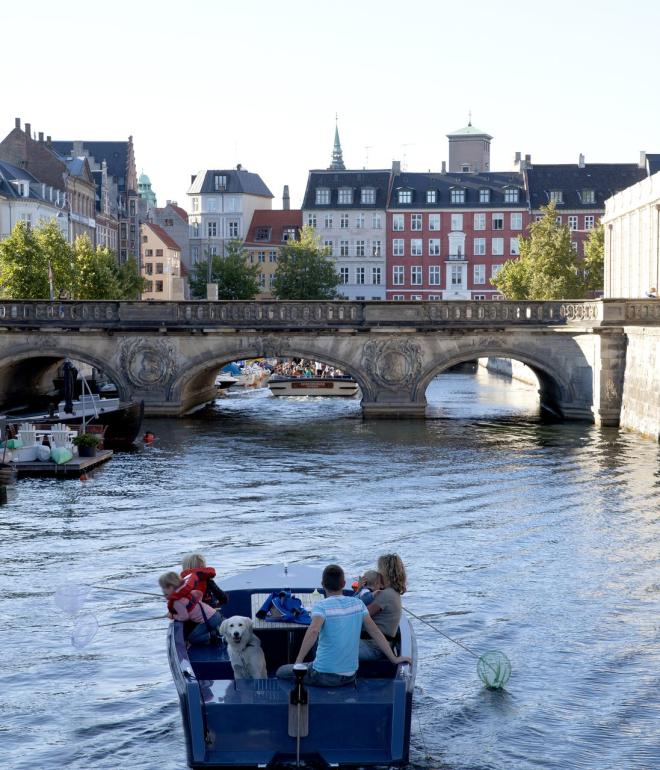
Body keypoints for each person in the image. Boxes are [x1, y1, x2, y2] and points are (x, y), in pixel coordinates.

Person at [277, 564, 410, 687]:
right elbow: (376, 632)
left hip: (324, 676)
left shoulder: (321, 606)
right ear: (344, 584)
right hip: (350, 676)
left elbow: (313, 631)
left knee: (281, 672)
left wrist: (298, 662)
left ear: (323, 584)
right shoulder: (358, 604)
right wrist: (394, 658)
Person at [359, 554, 407, 661]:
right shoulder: (393, 593)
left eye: (379, 569)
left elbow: (359, 615)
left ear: (385, 573)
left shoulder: (385, 595)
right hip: (377, 644)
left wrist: (359, 591)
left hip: (373, 647)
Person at [159, 571, 221, 644]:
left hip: (209, 620)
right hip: (215, 614)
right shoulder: (186, 592)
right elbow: (199, 594)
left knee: (192, 638)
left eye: (164, 587)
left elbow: (185, 617)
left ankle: (212, 637)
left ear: (172, 587)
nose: (162, 590)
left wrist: (172, 616)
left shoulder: (177, 602)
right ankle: (215, 629)